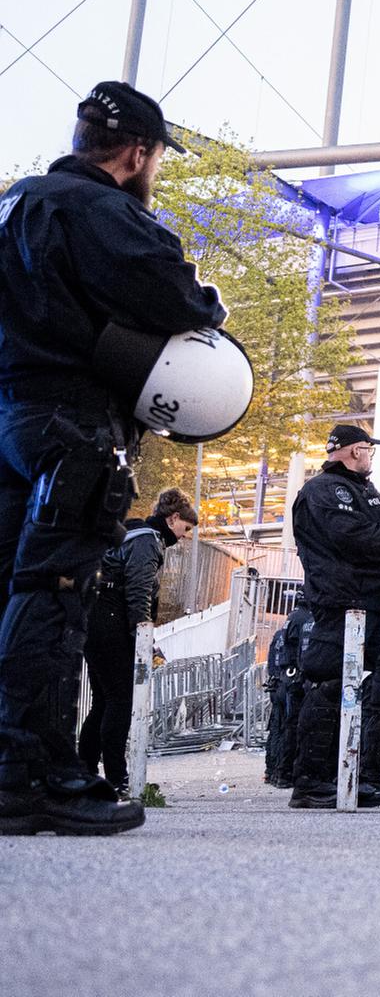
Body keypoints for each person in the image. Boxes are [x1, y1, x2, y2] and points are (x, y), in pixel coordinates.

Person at [0, 83, 227, 835]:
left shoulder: (14, 203)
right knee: (54, 591)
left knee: (13, 588)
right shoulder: (105, 212)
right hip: (73, 422)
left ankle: (21, 769)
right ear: (136, 154)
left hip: (9, 413)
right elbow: (183, 302)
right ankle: (37, 775)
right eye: (156, 156)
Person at [289, 424, 380, 809]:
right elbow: (353, 537)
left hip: (370, 604)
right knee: (329, 686)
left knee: (355, 692)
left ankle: (344, 776)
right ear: (354, 451)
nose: (370, 456)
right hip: (340, 604)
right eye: (368, 449)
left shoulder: (366, 491)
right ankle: (313, 781)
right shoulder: (323, 491)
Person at [79, 489, 197, 795]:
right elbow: (139, 589)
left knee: (103, 701)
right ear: (173, 519)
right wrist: (142, 635)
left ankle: (85, 770)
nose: (183, 537)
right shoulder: (147, 541)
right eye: (185, 529)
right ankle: (117, 777)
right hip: (113, 619)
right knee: (120, 700)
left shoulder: (133, 532)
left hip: (95, 615)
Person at [264, 592, 311, 790]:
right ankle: (284, 772)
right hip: (293, 681)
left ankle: (273, 772)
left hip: (281, 681)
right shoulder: (306, 621)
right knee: (291, 727)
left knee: (279, 727)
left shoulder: (288, 622)